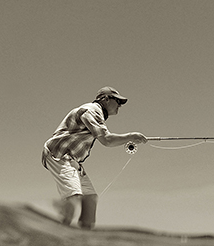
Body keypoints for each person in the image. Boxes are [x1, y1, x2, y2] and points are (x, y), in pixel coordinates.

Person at [42, 86, 147, 229]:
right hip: (59, 155)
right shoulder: (91, 111)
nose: (120, 105)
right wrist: (131, 136)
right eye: (118, 101)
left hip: (73, 161)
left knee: (90, 200)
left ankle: (84, 236)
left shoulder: (98, 115)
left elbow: (106, 138)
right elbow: (107, 140)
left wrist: (130, 138)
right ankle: (58, 231)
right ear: (105, 99)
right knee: (74, 198)